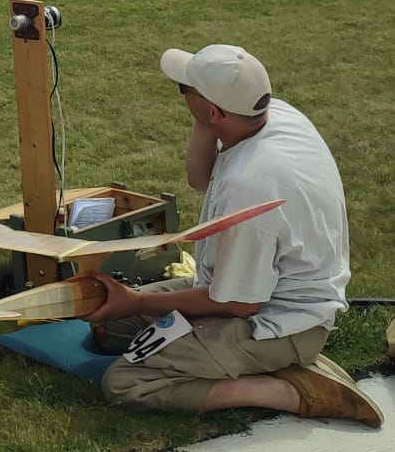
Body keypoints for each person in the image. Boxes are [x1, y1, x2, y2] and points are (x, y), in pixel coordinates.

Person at [88, 43, 381, 427]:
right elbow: (200, 177)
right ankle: (240, 359)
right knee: (109, 328)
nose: (181, 92)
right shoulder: (277, 115)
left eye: (184, 89)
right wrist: (205, 118)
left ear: (216, 111)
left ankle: (284, 389)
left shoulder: (251, 188)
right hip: (243, 292)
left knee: (125, 382)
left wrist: (138, 300)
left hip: (277, 322)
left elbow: (239, 305)